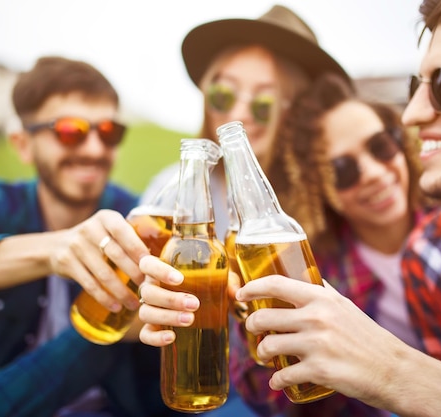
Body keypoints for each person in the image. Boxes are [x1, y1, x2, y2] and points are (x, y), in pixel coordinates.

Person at [137, 0, 441, 415]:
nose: (241, 112)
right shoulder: (429, 255)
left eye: (381, 145)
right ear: (317, 176)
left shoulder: (435, 243)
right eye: (342, 169)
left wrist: (389, 370)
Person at [0, 56, 182, 416]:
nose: (94, 148)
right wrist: (52, 249)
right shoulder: (1, 205)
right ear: (23, 144)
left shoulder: (138, 220)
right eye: (70, 130)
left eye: (109, 131)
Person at [139, 5, 354, 416]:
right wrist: (164, 306)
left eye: (262, 103)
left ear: (294, 109)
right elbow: (136, 313)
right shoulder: (178, 194)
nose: (237, 112)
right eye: (223, 93)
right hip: (228, 391)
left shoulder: (331, 187)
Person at [230, 72, 437, 417]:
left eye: (380, 146)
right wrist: (250, 323)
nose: (372, 172)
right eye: (343, 169)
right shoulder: (314, 273)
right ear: (317, 185)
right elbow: (270, 399)